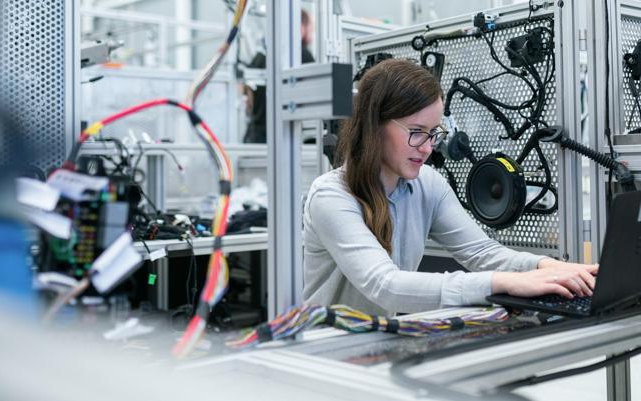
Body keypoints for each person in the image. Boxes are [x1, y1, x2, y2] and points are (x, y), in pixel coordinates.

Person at [302, 59, 599, 316]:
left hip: (377, 343)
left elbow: (483, 253)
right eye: (417, 132)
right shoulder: (331, 196)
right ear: (374, 125)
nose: (428, 148)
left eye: (433, 133)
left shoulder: (427, 185)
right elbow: (386, 286)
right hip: (327, 354)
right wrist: (502, 283)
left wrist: (549, 267)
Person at [243, 9, 316, 144]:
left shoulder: (261, 57)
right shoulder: (303, 56)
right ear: (301, 29)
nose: (311, 37)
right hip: (286, 136)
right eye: (311, 31)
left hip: (256, 137)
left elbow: (247, 95)